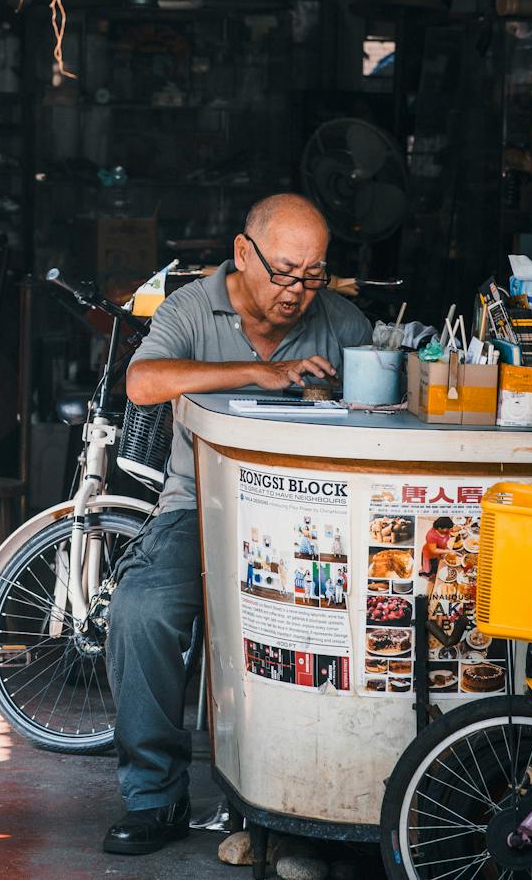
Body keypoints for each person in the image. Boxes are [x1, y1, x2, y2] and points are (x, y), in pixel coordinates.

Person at [103, 194, 373, 855]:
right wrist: (259, 371)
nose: (297, 291)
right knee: (141, 610)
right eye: (284, 271)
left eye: (313, 275)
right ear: (243, 252)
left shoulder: (342, 321)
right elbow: (142, 382)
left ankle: (318, 792)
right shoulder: (193, 307)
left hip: (310, 520)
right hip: (199, 508)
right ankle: (154, 795)